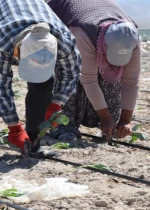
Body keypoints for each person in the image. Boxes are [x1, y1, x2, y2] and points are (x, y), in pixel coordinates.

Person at [0, 0, 82, 160]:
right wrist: (14, 127)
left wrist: (56, 104)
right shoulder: (3, 42)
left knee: (44, 82)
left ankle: (34, 143)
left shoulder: (64, 40)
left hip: (19, 17)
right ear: (18, 50)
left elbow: (71, 73)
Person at [46, 0, 142, 141]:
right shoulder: (82, 34)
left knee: (112, 76)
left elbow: (131, 82)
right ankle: (63, 126)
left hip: (92, 21)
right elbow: (89, 80)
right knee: (67, 75)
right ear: (103, 44)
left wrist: (125, 120)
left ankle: (105, 123)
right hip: (61, 23)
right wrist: (105, 116)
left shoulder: (132, 39)